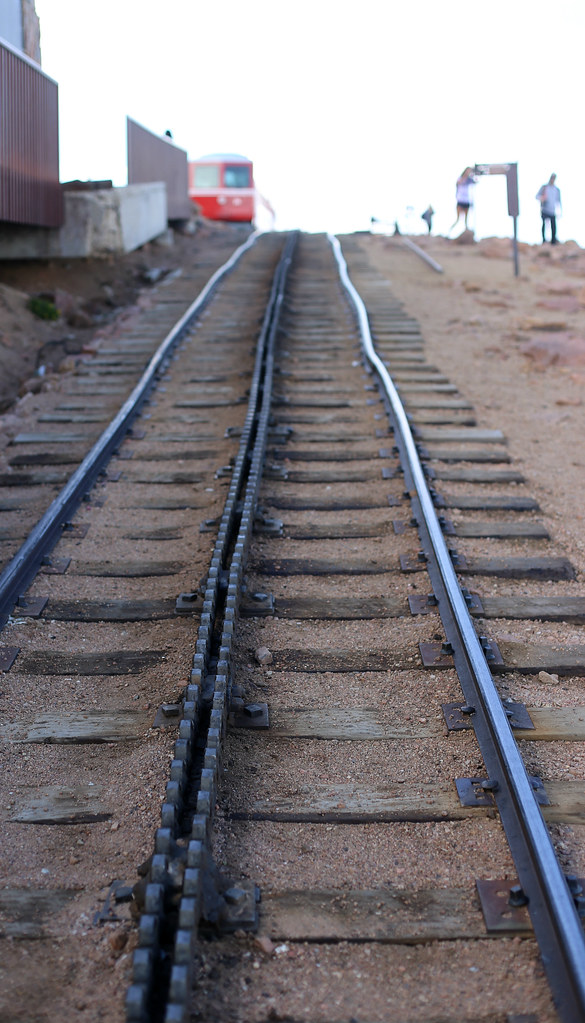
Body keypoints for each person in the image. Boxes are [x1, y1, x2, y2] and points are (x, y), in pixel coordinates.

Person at [536, 174, 561, 244]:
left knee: (553, 226)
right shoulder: (544, 187)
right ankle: (543, 240)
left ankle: (553, 241)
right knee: (544, 225)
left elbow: (559, 201)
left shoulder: (556, 190)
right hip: (544, 209)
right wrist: (542, 198)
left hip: (552, 210)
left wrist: (560, 212)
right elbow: (537, 196)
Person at [449, 167, 475, 233]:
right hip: (460, 201)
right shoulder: (460, 179)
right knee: (458, 219)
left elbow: (476, 182)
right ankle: (450, 232)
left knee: (466, 220)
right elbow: (459, 183)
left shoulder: (470, 180)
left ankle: (466, 233)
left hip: (466, 201)